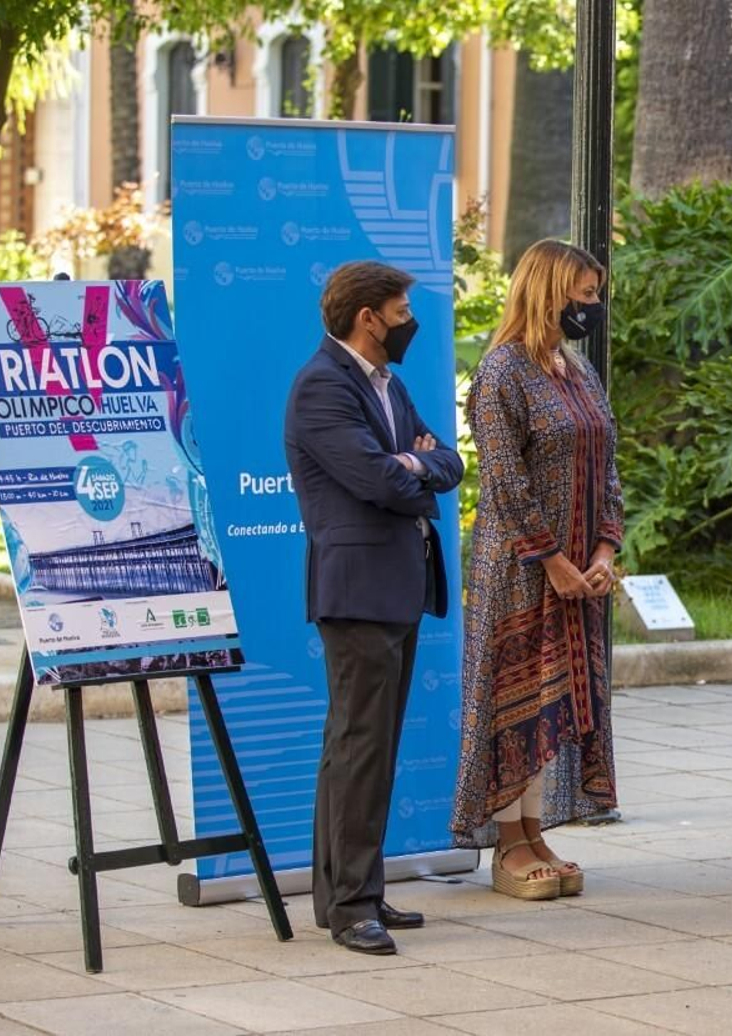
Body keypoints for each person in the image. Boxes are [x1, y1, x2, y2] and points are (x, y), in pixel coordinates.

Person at [284, 261, 465, 954]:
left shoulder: (387, 384)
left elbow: (446, 461)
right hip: (357, 587)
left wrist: (418, 465)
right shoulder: (321, 387)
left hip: (399, 582)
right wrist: (415, 468)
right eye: (400, 310)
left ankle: (350, 892)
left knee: (369, 744)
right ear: (368, 317)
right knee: (359, 745)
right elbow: (378, 478)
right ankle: (351, 905)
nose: (407, 322)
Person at [450, 240, 622, 900]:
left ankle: (533, 832)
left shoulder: (577, 371)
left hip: (581, 570)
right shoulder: (502, 372)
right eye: (584, 295)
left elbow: (607, 466)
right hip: (519, 569)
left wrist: (603, 552)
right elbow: (505, 479)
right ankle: (507, 845)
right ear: (549, 292)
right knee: (513, 698)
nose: (592, 307)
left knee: (555, 696)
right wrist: (550, 559)